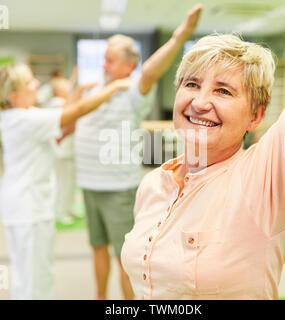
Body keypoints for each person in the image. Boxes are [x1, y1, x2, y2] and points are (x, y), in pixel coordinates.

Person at [121, 0, 285, 299]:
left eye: (223, 90)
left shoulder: (262, 179)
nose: (201, 102)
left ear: (255, 116)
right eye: (191, 84)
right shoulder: (154, 184)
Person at [74, 4, 203, 300]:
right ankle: (100, 298)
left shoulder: (134, 90)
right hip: (90, 183)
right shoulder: (98, 89)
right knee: (97, 246)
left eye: (110, 60)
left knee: (125, 254)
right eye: (104, 60)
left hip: (118, 186)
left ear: (128, 65)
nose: (104, 65)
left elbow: (151, 71)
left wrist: (180, 36)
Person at [0, 63, 131, 299]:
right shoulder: (23, 120)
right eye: (29, 82)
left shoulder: (23, 114)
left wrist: (76, 94)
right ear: (14, 95)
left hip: (27, 206)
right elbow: (75, 113)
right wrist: (115, 86)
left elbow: (62, 125)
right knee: (35, 277)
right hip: (28, 208)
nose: (37, 84)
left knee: (30, 273)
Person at [46, 78, 95, 224]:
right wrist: (79, 91)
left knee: (71, 184)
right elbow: (69, 111)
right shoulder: (56, 103)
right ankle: (61, 213)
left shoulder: (66, 102)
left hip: (70, 152)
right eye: (64, 86)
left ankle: (68, 208)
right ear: (57, 90)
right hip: (62, 153)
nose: (68, 88)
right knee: (63, 184)